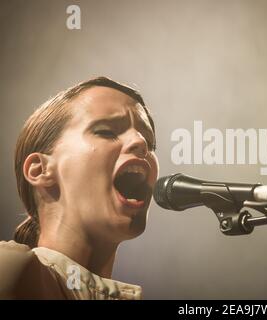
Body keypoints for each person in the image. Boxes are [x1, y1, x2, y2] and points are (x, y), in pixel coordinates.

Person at [0, 77, 159, 299]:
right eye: (106, 131)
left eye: (150, 143)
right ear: (39, 170)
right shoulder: (10, 271)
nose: (141, 142)